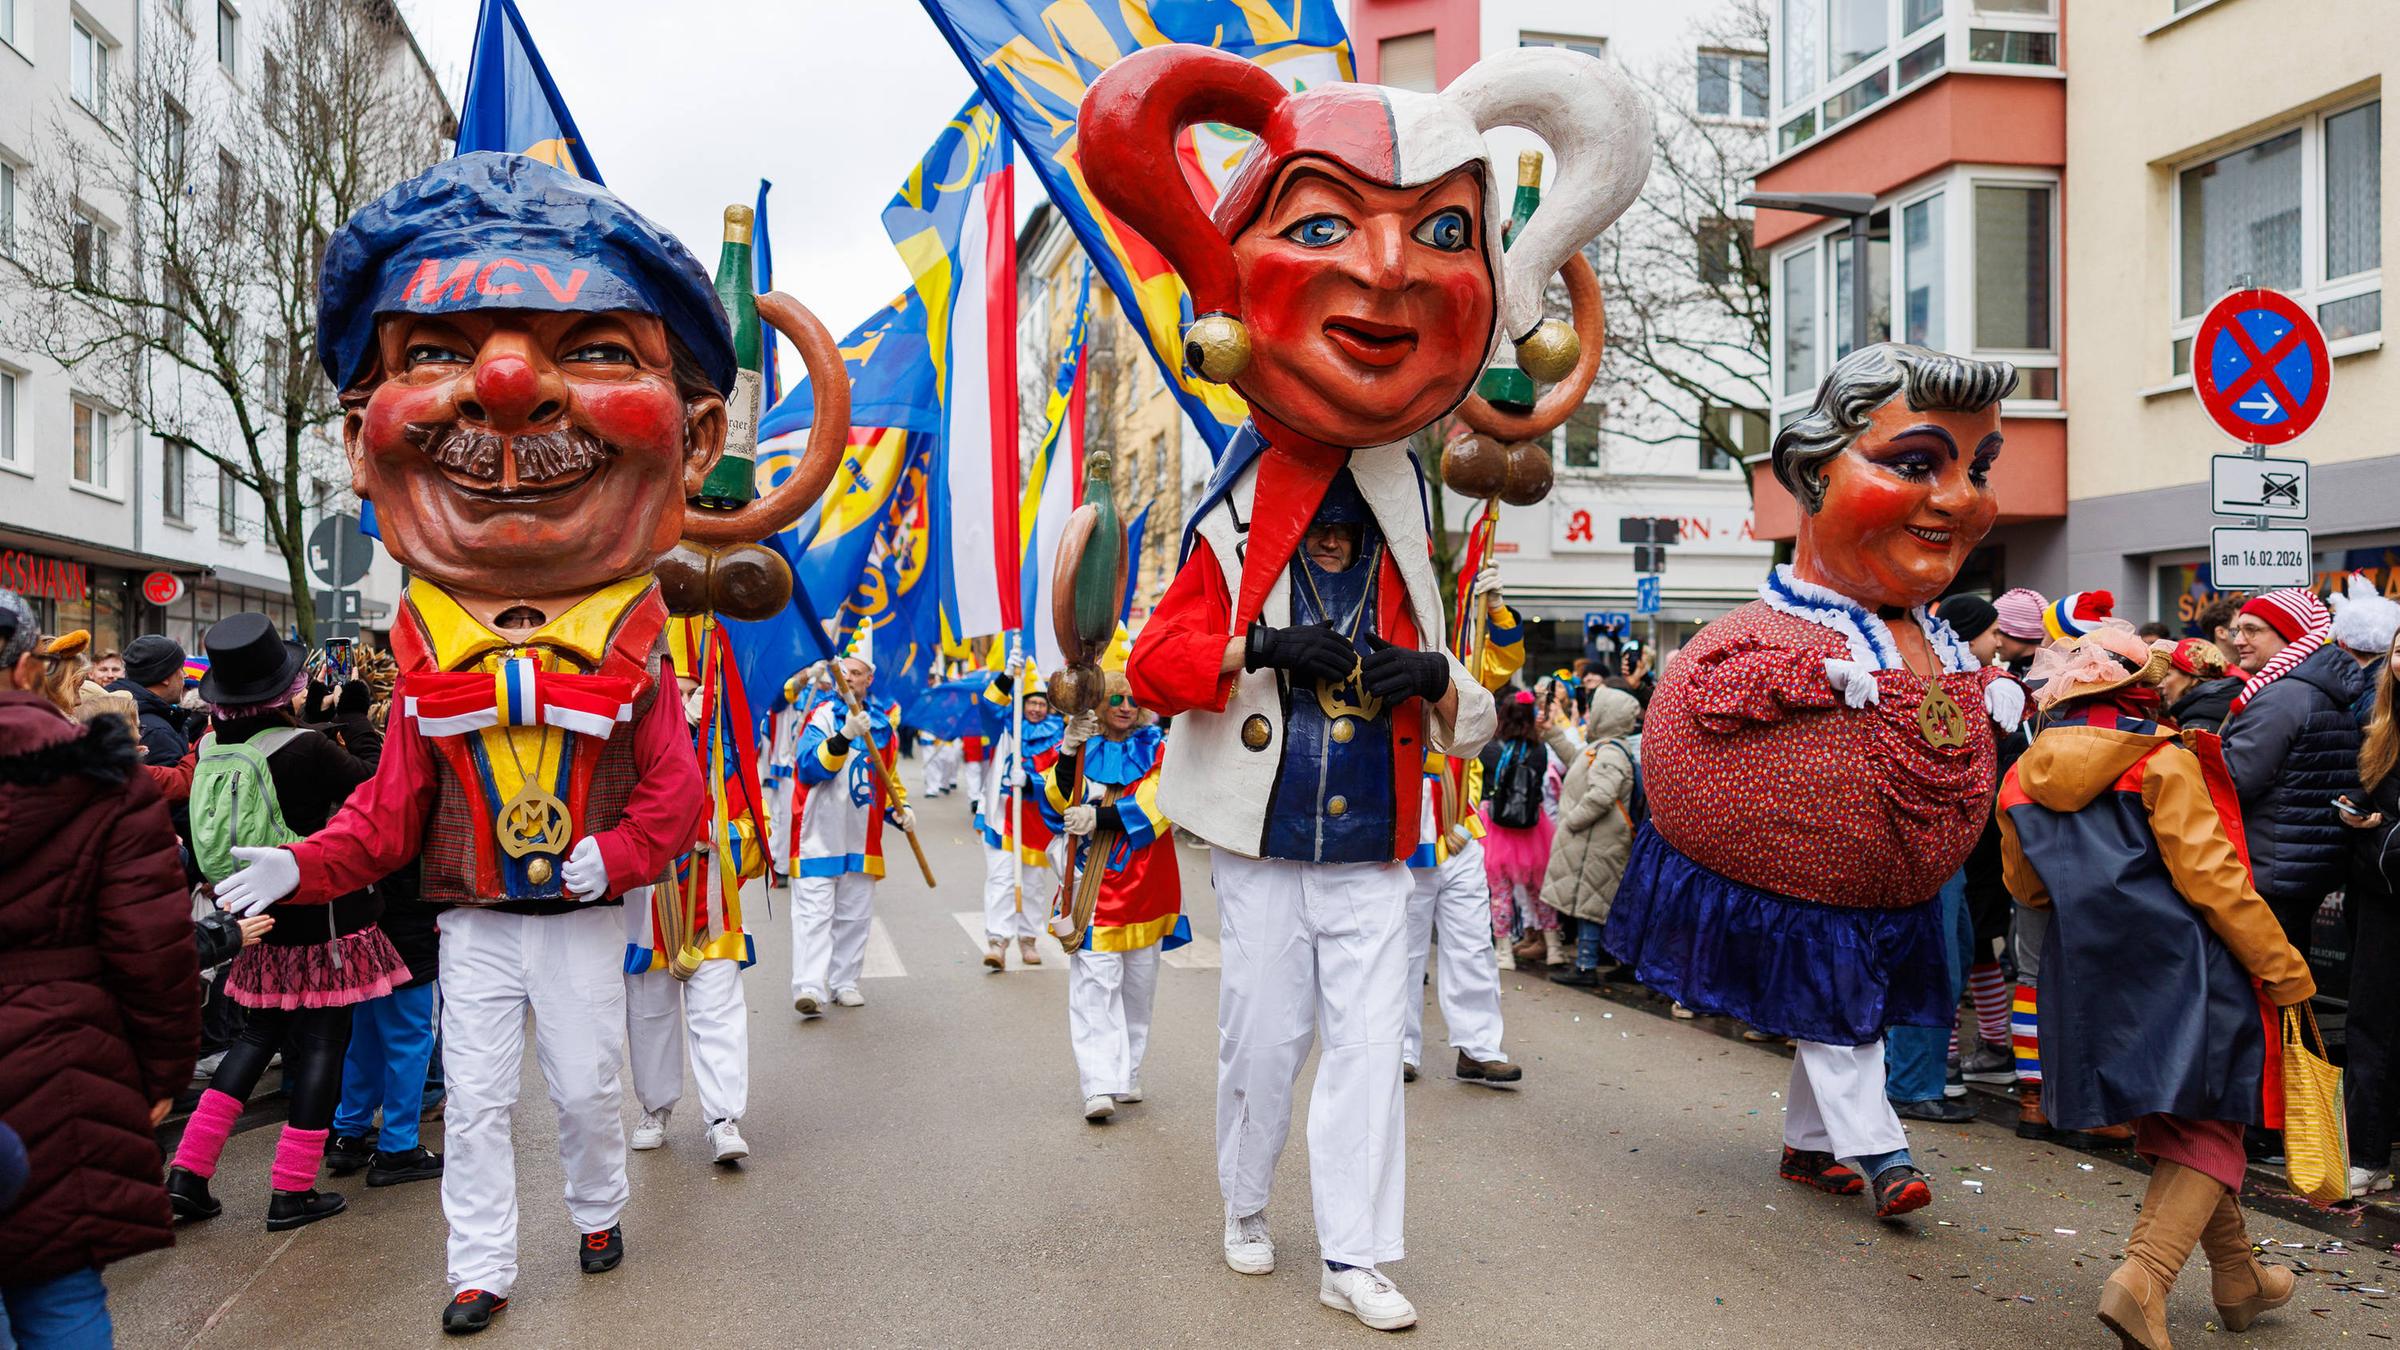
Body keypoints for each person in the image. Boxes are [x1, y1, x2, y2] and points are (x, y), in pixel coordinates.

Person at [1094, 38, 1633, 1328]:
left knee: (1364, 1057)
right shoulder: (1234, 526)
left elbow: (1486, 706)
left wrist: (1433, 675)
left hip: (1383, 837)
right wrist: (1258, 651)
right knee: (1265, 1045)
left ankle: (1355, 1255)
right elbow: (1156, 665)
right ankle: (1240, 1203)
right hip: (1269, 840)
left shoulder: (1416, 527)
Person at [209, 153, 748, 1335]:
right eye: (440, 352)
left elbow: (676, 795)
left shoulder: (642, 668)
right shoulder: (420, 680)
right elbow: (389, 814)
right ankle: (481, 1267)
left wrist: (621, 856)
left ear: (696, 439)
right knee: (488, 1099)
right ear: (363, 440)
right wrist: (302, 865)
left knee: (585, 1092)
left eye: (594, 345)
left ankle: (599, 1208)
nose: (506, 385)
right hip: (474, 919)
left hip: (581, 919)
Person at [1606, 342, 2024, 1223]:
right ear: (1811, 474)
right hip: (1800, 894)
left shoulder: (1945, 643)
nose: (1958, 499)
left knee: (1842, 1008)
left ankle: (1808, 1144)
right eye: (1914, 463)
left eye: (1977, 469)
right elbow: (1708, 706)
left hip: (1893, 892)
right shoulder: (1754, 638)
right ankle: (1883, 1153)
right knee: (1840, 1012)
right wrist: (1803, 689)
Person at [1996, 621, 2310, 1349]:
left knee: (2180, 1124)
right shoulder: (2163, 759)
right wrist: (2282, 967)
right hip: (2185, 966)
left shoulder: (2020, 776)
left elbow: (2027, 889)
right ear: (2139, 692)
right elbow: (2216, 882)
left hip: (2089, 969)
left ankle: (2240, 1280)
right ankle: (2143, 1277)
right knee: (2208, 1119)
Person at [0, 590, 200, 1348]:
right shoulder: (104, 784)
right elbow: (154, 950)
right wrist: (158, 1076)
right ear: (27, 668)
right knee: (60, 1278)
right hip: (68, 1063)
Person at [167, 613, 405, 1231]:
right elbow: (379, 794)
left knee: (254, 1039)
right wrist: (354, 719)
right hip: (324, 916)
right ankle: (291, 1190)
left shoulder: (211, 745)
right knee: (325, 1043)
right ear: (285, 689)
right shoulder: (308, 748)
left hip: (256, 919)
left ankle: (187, 1175)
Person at [625, 645, 760, 1166]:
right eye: (674, 693)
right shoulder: (634, 753)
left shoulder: (725, 760)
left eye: (691, 692)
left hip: (712, 914)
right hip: (651, 913)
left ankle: (723, 1119)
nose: (683, 703)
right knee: (650, 1015)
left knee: (718, 1014)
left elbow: (755, 834)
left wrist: (717, 835)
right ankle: (655, 1109)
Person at [1043, 650, 1187, 1122]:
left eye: (1133, 700)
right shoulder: (1081, 745)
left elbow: (1159, 808)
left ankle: (1125, 1072)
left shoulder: (1160, 751)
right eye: (1116, 697)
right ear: (1100, 702)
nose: (1125, 706)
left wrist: (1099, 816)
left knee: (1138, 990)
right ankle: (1098, 1083)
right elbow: (1056, 803)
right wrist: (1067, 753)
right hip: (1093, 888)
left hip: (1146, 887)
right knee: (1095, 986)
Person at [1402, 568, 1524, 1083]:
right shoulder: (1381, 649)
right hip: (1405, 833)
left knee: (1473, 942)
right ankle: (1398, 1049)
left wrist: (1495, 607)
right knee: (1401, 947)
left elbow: (1505, 660)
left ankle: (1478, 1046)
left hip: (1458, 831)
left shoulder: (1460, 664)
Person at [2221, 587, 2367, 948]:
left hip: (2269, 867)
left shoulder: (2283, 696)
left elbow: (2236, 779)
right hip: (2293, 863)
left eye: (2253, 630)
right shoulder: (2309, 688)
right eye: (2239, 629)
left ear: (2291, 636)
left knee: (2266, 986)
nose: (2240, 640)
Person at [789, 638, 912, 1016]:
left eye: (856, 673)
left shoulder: (883, 725)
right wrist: (844, 735)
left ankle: (845, 981)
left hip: (861, 835)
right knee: (813, 915)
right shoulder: (822, 716)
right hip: (819, 835)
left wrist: (901, 808)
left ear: (868, 680)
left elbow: (887, 777)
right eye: (844, 672)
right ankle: (809, 986)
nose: (848, 679)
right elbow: (809, 765)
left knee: (855, 917)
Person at [1929, 593, 2019, 1089]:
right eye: (1991, 632)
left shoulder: (1985, 684)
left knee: (1969, 946)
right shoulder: (1958, 687)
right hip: (1969, 837)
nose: (1999, 640)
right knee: (1960, 949)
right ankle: (1964, 1050)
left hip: (1979, 838)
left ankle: (1977, 1049)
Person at [2343, 623, 2400, 1196]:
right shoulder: (2382, 723)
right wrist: (2358, 815)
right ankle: (2367, 1152)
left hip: (2386, 874)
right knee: (2372, 1023)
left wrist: (2384, 836)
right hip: (2382, 896)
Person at [1539, 687, 1641, 986]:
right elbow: (1577, 761)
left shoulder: (1610, 752)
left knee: (1590, 906)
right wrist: (1553, 734)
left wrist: (1572, 822)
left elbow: (1602, 795)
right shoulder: (1604, 747)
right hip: (1594, 841)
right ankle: (1586, 963)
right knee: (1587, 904)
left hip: (1595, 843)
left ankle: (1586, 967)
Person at [973, 659, 1064, 969]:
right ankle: (997, 942)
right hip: (1002, 818)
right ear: (1022, 704)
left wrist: (1031, 783)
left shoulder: (1057, 735)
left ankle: (1028, 939)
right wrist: (1006, 677)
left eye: (1041, 703)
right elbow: (987, 706)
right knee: (1000, 879)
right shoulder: (1005, 727)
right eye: (1032, 702)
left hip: (1038, 821)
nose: (1037, 708)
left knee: (1034, 885)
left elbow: (1060, 778)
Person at [1483, 691, 1560, 966]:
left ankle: (1503, 953)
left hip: (1498, 828)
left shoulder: (1492, 748)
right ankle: (1554, 948)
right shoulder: (1539, 750)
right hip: (1533, 826)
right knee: (1538, 890)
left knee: (1500, 892)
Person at [109, 634, 192, 767]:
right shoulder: (157, 732)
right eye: (181, 669)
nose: (185, 675)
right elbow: (173, 786)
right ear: (165, 676)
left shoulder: (110, 706)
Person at [2155, 638, 2240, 735]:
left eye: (2166, 675)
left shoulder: (2197, 725)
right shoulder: (2212, 708)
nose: (2159, 684)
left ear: (2193, 678)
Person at [1990, 588, 2051, 674]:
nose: (1995, 643)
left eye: (1996, 633)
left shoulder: (2048, 681)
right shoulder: (2018, 672)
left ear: (2021, 633)